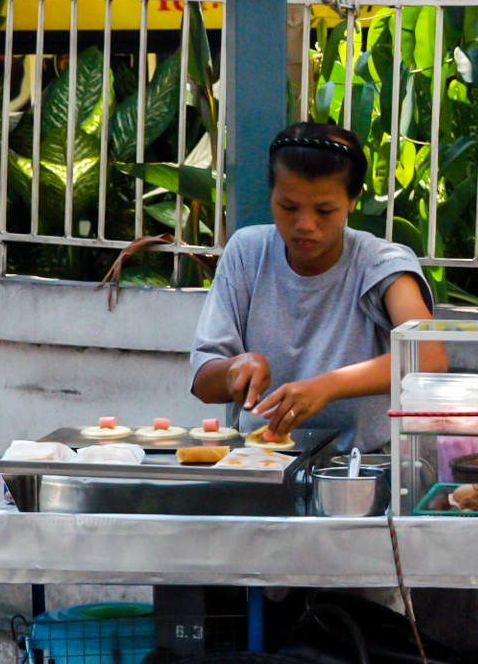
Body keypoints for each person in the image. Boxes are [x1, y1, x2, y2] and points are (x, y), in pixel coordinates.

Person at [191, 121, 446, 452]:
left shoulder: (381, 262)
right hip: (259, 462)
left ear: (353, 201)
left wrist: (327, 386)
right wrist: (233, 371)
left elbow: (428, 353)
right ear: (272, 196)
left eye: (325, 210)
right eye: (288, 207)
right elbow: (203, 382)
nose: (305, 225)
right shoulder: (247, 252)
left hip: (359, 469)